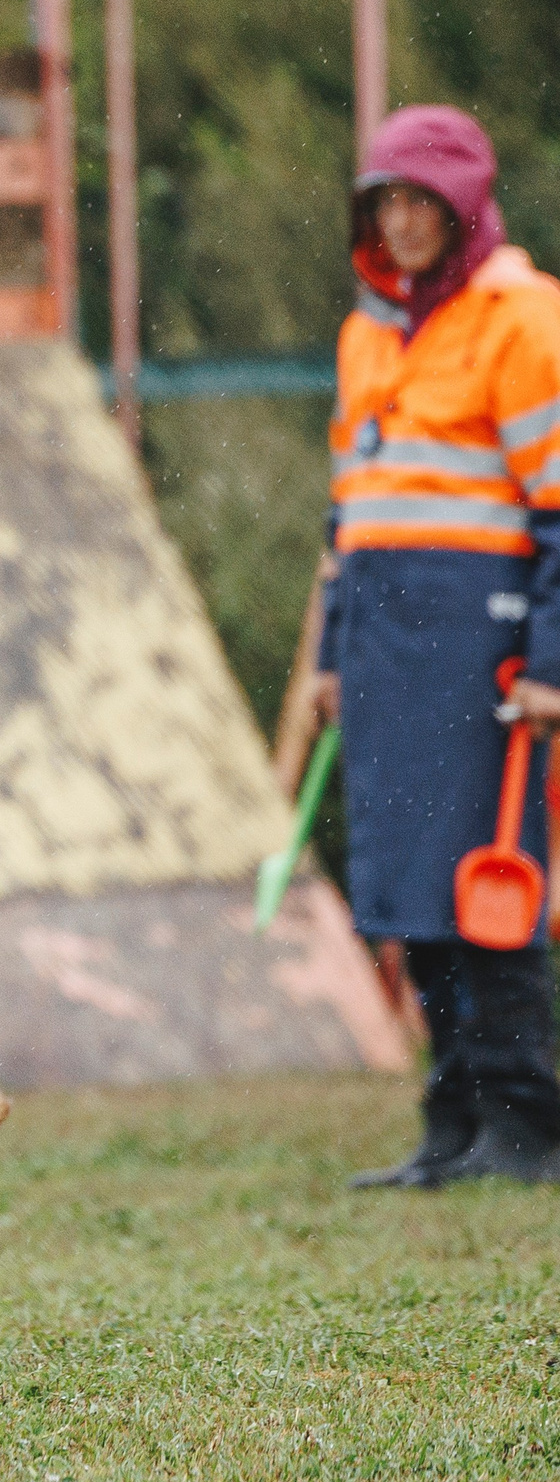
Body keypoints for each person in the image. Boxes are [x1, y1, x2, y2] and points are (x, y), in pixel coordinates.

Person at [311, 105, 560, 1187]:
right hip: (383, 645)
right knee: (409, 892)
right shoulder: (366, 328)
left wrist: (550, 662)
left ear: (461, 211)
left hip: (484, 646)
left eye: (421, 204)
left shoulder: (524, 317)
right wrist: (329, 654)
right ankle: (449, 1126)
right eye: (385, 204)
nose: (403, 224)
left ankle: (526, 1125)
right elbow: (349, 513)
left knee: (486, 890)